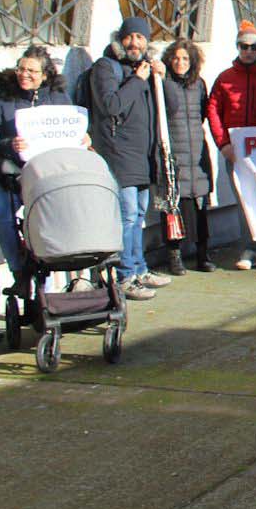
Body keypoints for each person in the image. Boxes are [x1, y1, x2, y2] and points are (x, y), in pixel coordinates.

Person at [88, 16, 168, 300]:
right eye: (129, 37)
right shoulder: (105, 67)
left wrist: (160, 76)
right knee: (127, 217)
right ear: (120, 39)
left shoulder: (142, 69)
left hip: (142, 156)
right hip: (118, 153)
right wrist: (137, 80)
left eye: (140, 38)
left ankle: (139, 268)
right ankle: (124, 276)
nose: (134, 43)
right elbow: (111, 106)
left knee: (138, 217)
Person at [0, 46, 77, 273]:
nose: (24, 74)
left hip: (49, 174)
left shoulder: (58, 98)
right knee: (0, 213)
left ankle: (54, 264)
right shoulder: (1, 100)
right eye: (21, 69)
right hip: (11, 173)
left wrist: (81, 136)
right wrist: (9, 144)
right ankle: (19, 271)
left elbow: (71, 130)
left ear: (45, 75)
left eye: (32, 71)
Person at [206, 20, 256, 270]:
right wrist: (223, 144)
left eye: (253, 46)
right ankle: (250, 248)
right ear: (237, 47)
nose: (248, 50)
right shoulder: (225, 78)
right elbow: (213, 111)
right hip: (235, 153)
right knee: (245, 201)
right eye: (243, 46)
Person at [159, 39, 215, 276]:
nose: (180, 63)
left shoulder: (199, 84)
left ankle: (203, 255)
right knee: (173, 207)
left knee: (201, 207)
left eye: (185, 58)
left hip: (197, 152)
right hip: (174, 154)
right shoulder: (162, 82)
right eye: (176, 58)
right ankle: (175, 257)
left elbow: (203, 113)